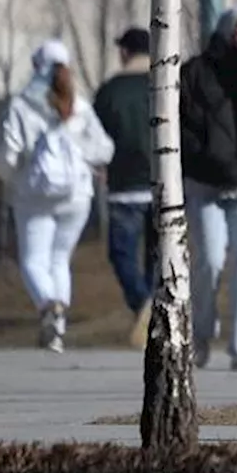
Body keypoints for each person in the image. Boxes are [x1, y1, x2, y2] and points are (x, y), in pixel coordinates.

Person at [0, 39, 115, 353]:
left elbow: (6, 156)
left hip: (34, 194)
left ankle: (48, 306)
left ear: (36, 66)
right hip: (76, 194)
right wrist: (79, 157)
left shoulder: (21, 105)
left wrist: (14, 179)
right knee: (60, 259)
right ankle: (56, 332)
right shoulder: (80, 106)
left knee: (33, 260)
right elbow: (105, 149)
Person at [179, 5, 237, 371]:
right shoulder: (195, 71)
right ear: (227, 28)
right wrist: (204, 158)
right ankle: (201, 334)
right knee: (210, 259)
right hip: (204, 184)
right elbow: (181, 125)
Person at [93, 27, 156, 348]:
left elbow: (94, 136)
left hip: (122, 183)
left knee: (121, 254)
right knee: (156, 255)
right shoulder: (164, 85)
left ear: (126, 52)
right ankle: (152, 308)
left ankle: (140, 301)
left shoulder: (109, 92)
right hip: (161, 183)